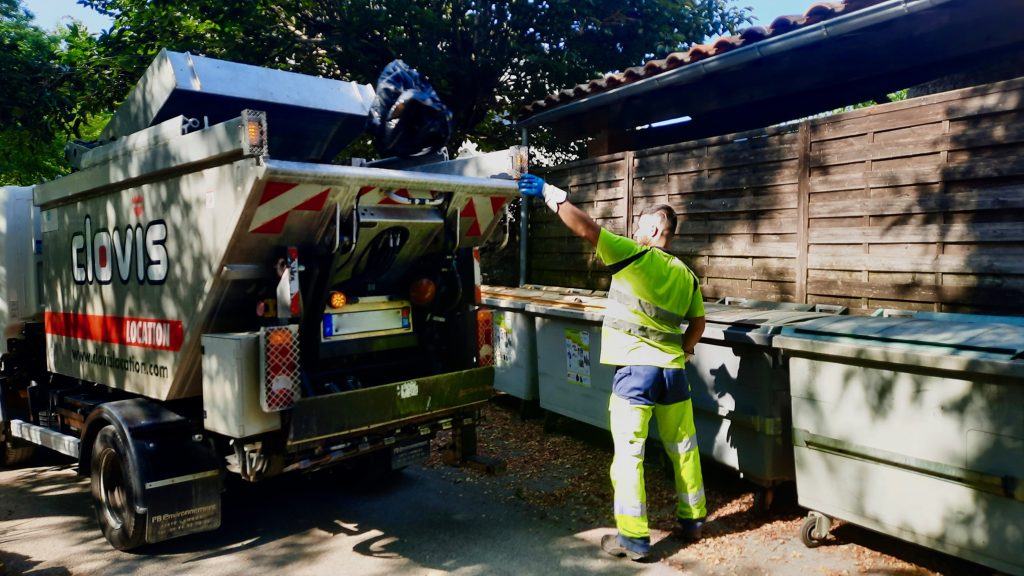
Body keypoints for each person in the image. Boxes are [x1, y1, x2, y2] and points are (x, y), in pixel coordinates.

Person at [518, 174, 707, 562]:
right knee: (684, 449)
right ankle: (693, 520)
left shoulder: (635, 256)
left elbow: (587, 229)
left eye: (640, 225)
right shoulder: (686, 275)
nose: (634, 229)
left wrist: (551, 196)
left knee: (629, 456)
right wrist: (684, 351)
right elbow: (698, 323)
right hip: (673, 373)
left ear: (654, 229)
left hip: (636, 373)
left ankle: (635, 540)